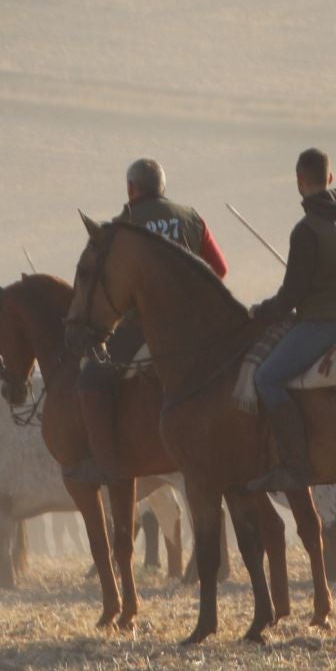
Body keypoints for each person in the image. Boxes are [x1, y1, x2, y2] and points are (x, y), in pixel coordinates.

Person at [71, 158, 229, 485]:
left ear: (131, 188)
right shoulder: (191, 218)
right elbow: (220, 269)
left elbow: (114, 284)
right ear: (162, 186)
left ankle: (105, 463)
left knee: (91, 381)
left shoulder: (121, 228)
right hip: (198, 328)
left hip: (143, 327)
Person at [246, 148, 336, 493]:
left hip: (329, 323)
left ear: (300, 182)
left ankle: (295, 467)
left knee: (266, 378)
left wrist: (262, 312)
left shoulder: (306, 230)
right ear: (330, 178)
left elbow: (291, 296)